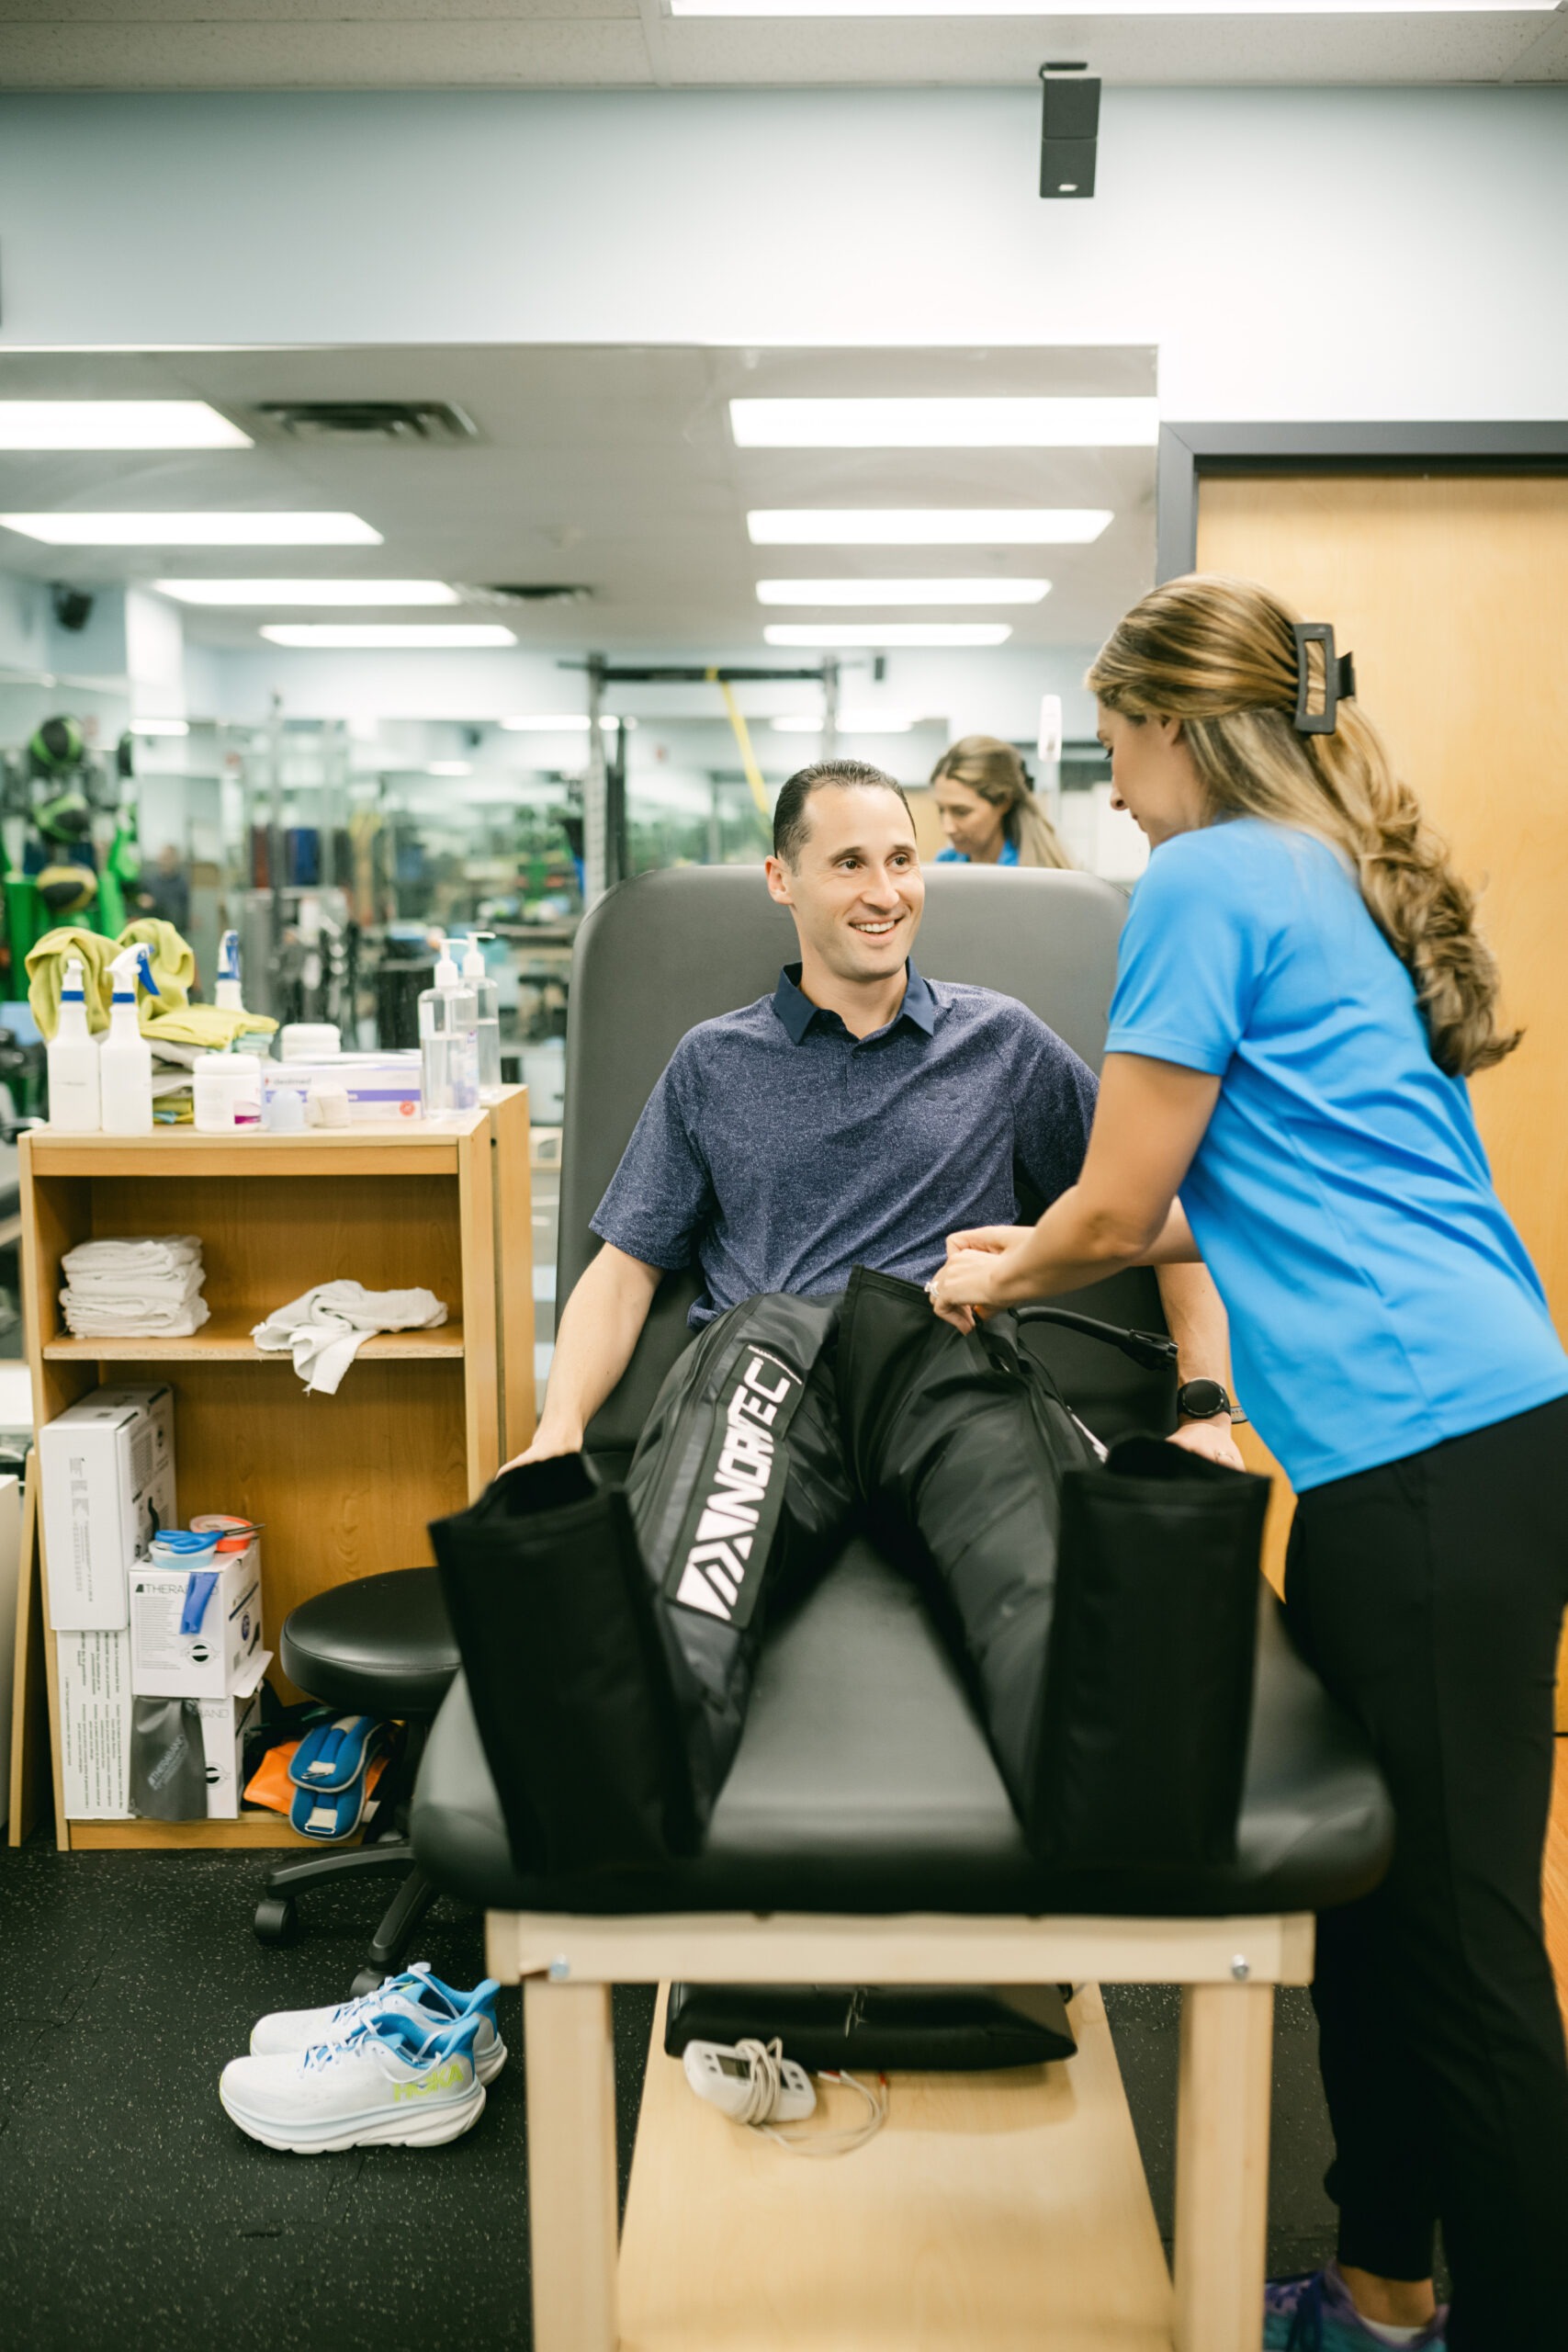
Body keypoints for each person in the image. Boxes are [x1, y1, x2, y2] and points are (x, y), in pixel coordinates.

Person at [929, 577, 1568, 2352]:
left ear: (1166, 728)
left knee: (1464, 1956)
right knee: (1376, 1912)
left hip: (1433, 1450)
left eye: (1115, 748)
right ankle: (1380, 2293)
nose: (1112, 792)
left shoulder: (1209, 878)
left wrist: (1006, 1267)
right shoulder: (1320, 868)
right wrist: (1061, 1243)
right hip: (1448, 1440)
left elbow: (1126, 1200)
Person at [501, 757, 1240, 1862]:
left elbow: (1150, 1218)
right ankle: (632, 1792)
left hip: (945, 1346)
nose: (884, 889)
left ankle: (1104, 1804)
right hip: (768, 1353)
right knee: (683, 1586)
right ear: (781, 880)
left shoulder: (1003, 1044)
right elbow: (625, 1269)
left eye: (901, 859)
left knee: (1047, 1572)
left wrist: (1205, 1406)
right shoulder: (713, 1063)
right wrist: (556, 1432)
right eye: (849, 862)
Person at [931, 733, 1072, 868]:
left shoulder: (1036, 874)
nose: (947, 828)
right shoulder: (944, 864)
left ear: (1004, 803)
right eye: (941, 810)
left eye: (962, 812)